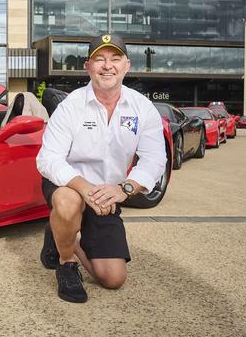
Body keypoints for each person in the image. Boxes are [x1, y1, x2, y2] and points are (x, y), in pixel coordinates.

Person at [36, 34, 166, 303]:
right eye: (100, 59)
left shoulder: (143, 108)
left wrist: (124, 189)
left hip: (109, 193)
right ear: (88, 66)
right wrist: (84, 188)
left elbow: (155, 160)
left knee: (112, 278)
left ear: (127, 65)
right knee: (67, 201)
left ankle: (61, 233)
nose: (107, 66)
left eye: (115, 59)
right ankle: (66, 262)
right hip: (70, 184)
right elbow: (48, 158)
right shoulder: (70, 106)